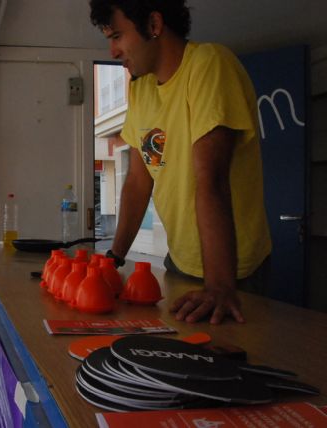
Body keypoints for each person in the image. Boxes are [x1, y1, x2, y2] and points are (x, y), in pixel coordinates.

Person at [90, 0, 271, 324]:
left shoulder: (209, 65)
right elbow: (137, 182)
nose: (113, 51)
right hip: (180, 264)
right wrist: (113, 258)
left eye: (117, 36)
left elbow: (211, 179)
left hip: (232, 275)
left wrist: (219, 287)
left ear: (154, 25)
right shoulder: (142, 88)